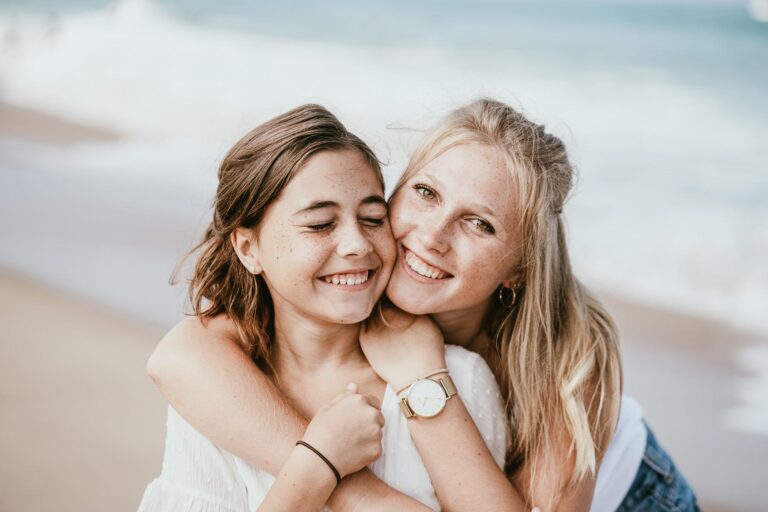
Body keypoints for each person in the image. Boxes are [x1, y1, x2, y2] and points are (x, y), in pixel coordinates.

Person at [147, 99, 699, 511]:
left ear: (519, 267)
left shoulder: (569, 346)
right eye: (426, 194)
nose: (431, 237)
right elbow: (178, 359)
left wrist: (421, 377)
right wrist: (341, 479)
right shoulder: (353, 268)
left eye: (479, 223)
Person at [138, 104, 518, 512]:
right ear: (249, 249)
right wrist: (318, 464)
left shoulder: (458, 379)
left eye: (373, 218)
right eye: (320, 225)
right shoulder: (212, 392)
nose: (357, 244)